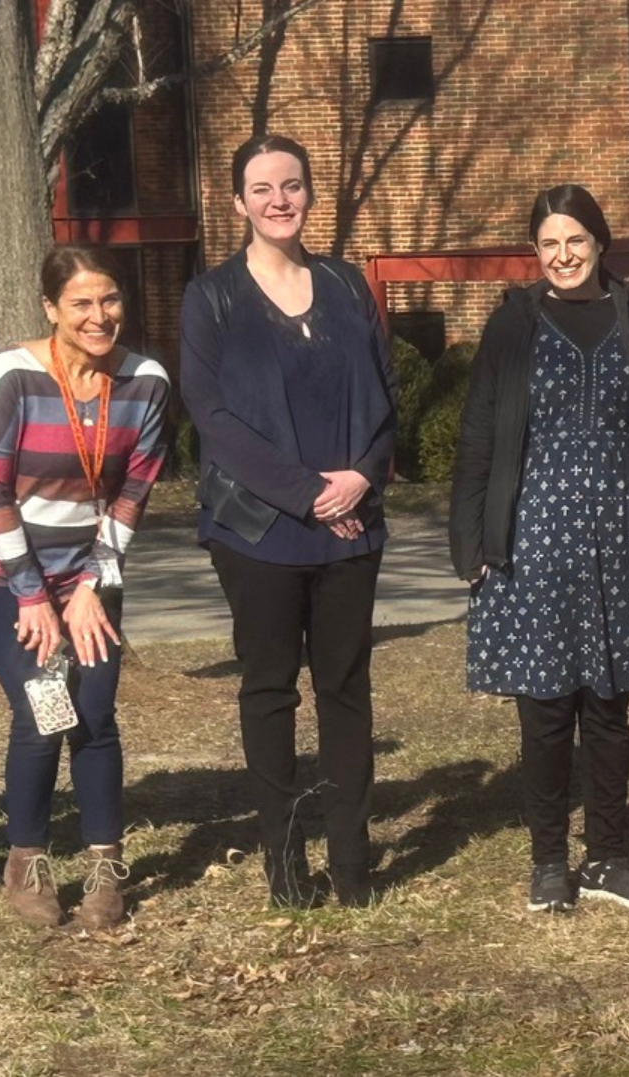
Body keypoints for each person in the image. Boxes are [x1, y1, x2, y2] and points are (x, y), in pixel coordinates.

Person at [181, 134, 396, 909]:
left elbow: (385, 395)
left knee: (345, 688)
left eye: (293, 185)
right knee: (270, 690)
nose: (280, 199)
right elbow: (214, 418)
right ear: (238, 202)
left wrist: (361, 478)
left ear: (310, 193)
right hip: (261, 533)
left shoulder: (344, 284)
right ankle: (285, 861)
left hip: (350, 529)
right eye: (262, 188)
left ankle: (351, 863)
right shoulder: (211, 298)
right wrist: (309, 493)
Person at [450, 185, 629, 914]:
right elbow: (479, 431)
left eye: (576, 240)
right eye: (549, 244)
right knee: (544, 705)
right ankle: (549, 859)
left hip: (620, 535)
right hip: (535, 534)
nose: (564, 255)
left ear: (600, 243)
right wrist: (472, 537)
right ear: (536, 253)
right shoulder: (514, 324)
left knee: (608, 705)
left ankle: (607, 854)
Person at [0, 248, 169, 929]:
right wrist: (31, 593)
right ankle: (28, 859)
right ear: (51, 308)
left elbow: (134, 490)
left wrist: (91, 584)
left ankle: (107, 867)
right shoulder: (11, 377)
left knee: (96, 711)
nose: (98, 316)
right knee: (46, 706)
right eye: (80, 303)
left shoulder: (147, 381)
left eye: (109, 301)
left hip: (88, 573)